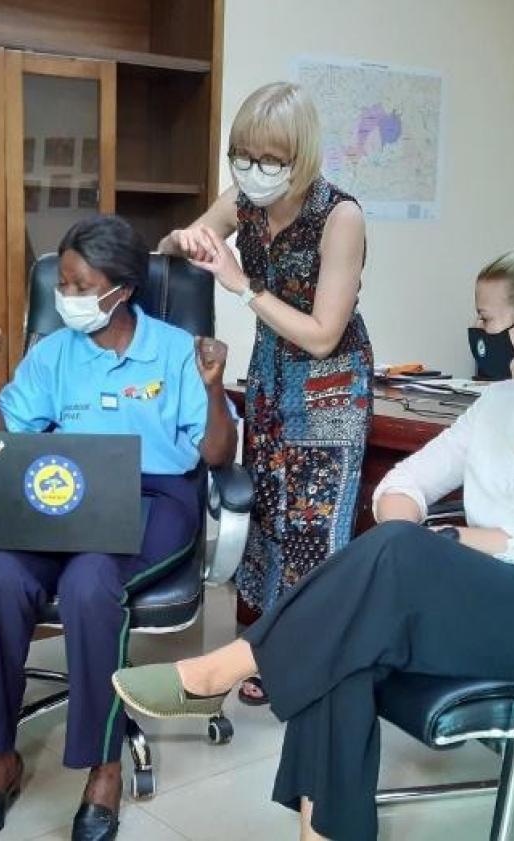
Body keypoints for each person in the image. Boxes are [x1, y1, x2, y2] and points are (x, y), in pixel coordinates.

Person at [111, 224, 514, 841]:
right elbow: (404, 484)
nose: (479, 335)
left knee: (356, 606)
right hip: (472, 604)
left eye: (486, 319)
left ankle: (221, 672)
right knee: (341, 645)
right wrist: (413, 538)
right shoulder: (498, 405)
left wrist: (470, 544)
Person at [0, 214, 239, 841]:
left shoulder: (175, 350)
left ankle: (103, 768)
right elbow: (2, 446)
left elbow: (217, 455)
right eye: (63, 281)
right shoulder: (54, 352)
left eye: (81, 284)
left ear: (123, 288)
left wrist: (215, 388)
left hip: (153, 498)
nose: (67, 296)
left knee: (90, 581)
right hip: (67, 492)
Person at [159, 82, 373, 705]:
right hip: (272, 383)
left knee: (314, 533)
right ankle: (265, 652)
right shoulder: (248, 200)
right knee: (270, 517)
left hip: (329, 390)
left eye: (270, 161)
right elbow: (189, 238)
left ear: (302, 157)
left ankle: (308, 666)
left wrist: (242, 284)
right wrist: (186, 240)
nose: (253, 172)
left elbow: (323, 333)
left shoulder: (341, 216)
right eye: (242, 157)